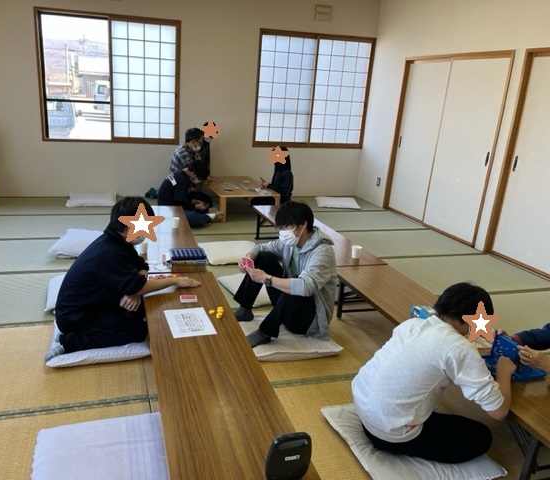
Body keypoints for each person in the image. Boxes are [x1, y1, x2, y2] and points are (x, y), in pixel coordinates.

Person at [352, 282, 516, 464]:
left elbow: (442, 349)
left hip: (366, 411)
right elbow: (499, 411)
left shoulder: (413, 324)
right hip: (390, 433)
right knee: (481, 436)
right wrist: (504, 372)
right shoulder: (458, 347)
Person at [45, 197, 202, 360]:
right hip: (76, 317)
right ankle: (70, 342)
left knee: (138, 310)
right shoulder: (108, 253)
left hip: (97, 300)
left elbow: (142, 265)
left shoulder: (119, 240)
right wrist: (175, 280)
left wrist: (135, 290)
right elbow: (140, 282)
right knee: (137, 331)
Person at [232, 201, 337, 347]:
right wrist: (248, 258)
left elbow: (305, 287)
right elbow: (261, 247)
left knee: (297, 284)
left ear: (303, 224)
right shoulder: (291, 243)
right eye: (280, 228)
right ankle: (245, 309)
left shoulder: (323, 251)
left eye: (286, 227)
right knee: (263, 257)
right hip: (287, 305)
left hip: (306, 320)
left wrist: (266, 278)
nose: (283, 233)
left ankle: (265, 332)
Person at [158, 161, 223, 227]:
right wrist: (195, 207)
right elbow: (179, 204)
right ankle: (212, 216)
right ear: (193, 174)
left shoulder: (180, 173)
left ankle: (203, 218)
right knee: (191, 216)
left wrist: (192, 201)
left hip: (171, 204)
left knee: (203, 203)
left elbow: (180, 197)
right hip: (168, 210)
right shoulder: (182, 181)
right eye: (199, 179)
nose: (198, 181)